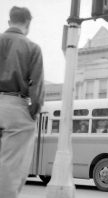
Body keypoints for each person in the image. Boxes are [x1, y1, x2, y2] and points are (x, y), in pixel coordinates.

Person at [0, 6, 44, 198]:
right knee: (12, 166)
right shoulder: (32, 48)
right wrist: (33, 111)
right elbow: (37, 88)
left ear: (9, 21)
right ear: (28, 24)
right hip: (14, 105)